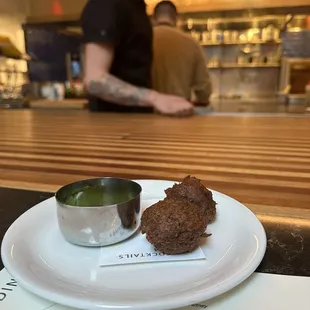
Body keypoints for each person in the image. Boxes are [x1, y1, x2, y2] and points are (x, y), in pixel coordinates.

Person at [81, 0, 193, 116]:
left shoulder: (136, 7)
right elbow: (94, 80)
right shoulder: (106, 4)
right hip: (112, 127)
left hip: (136, 122)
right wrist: (156, 98)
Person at [152, 1, 212, 106]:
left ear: (153, 18)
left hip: (144, 113)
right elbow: (204, 89)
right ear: (176, 18)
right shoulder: (191, 43)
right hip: (179, 112)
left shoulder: (142, 40)